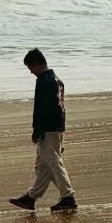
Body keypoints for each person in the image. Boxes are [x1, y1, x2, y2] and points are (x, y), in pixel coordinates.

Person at [9, 48, 78, 213]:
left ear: (36, 64)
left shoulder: (43, 81)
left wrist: (36, 131)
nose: (31, 72)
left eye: (30, 68)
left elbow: (41, 109)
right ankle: (31, 197)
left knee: (53, 162)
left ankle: (68, 196)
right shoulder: (58, 80)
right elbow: (59, 108)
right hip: (58, 127)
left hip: (48, 129)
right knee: (43, 165)